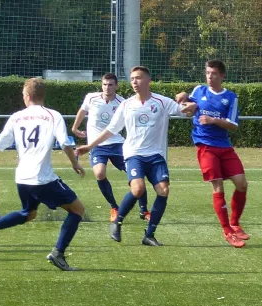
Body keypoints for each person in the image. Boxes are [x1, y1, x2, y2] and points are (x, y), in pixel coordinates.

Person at [76, 66, 196, 246]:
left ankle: (149, 235)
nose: (134, 82)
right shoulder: (126, 104)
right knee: (138, 188)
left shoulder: (162, 102)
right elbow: (110, 130)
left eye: (138, 78)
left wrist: (191, 102)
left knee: (163, 190)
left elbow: (187, 112)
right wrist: (90, 145)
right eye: (132, 79)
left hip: (156, 156)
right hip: (134, 154)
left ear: (148, 81)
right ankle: (117, 222)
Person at [0, 78, 86, 271]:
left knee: (29, 213)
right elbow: (65, 143)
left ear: (27, 96)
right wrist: (74, 163)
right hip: (42, 178)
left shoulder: (17, 117)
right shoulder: (53, 115)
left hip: (22, 178)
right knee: (77, 210)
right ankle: (58, 253)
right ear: (43, 96)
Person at [175, 60, 248, 248]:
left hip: (224, 146)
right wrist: (183, 100)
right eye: (207, 72)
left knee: (242, 184)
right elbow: (187, 105)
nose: (209, 76)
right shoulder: (199, 90)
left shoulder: (230, 97)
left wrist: (213, 120)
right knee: (218, 187)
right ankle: (227, 231)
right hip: (205, 146)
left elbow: (233, 125)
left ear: (222, 75)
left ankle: (234, 223)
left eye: (214, 73)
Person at [71, 73, 150, 223]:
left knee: (136, 175)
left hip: (118, 144)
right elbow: (82, 111)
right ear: (101, 85)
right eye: (104, 84)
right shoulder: (91, 98)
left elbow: (131, 121)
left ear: (116, 86)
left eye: (110, 85)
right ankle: (114, 207)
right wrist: (75, 128)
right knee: (99, 173)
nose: (107, 87)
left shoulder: (123, 102)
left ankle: (144, 210)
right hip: (97, 145)